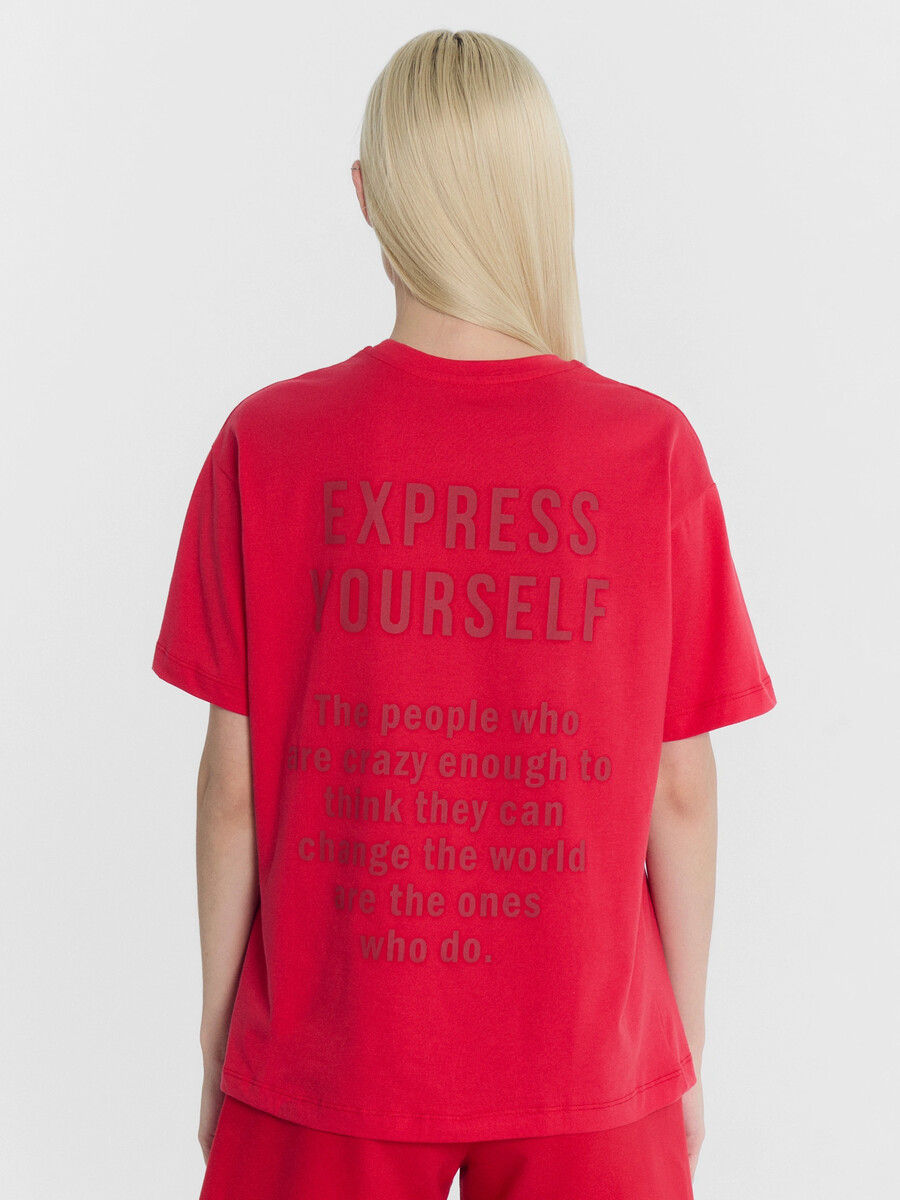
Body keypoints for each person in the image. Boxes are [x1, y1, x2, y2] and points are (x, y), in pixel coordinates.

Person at [151, 28, 776, 1200]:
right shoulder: (649, 451)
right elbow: (680, 789)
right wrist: (679, 1048)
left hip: (331, 1057)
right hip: (588, 1065)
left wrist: (218, 1033)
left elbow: (234, 784)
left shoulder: (267, 444)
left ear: (368, 196)